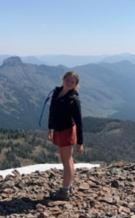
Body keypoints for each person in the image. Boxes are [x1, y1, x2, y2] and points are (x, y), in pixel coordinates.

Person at [48, 71, 84, 201]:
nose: (69, 82)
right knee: (68, 159)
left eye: (72, 81)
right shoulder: (57, 92)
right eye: (67, 80)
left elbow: (79, 122)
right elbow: (52, 110)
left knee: (66, 160)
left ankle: (64, 191)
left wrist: (80, 142)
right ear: (63, 79)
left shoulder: (73, 99)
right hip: (58, 130)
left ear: (75, 84)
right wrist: (50, 127)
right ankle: (68, 186)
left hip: (67, 131)